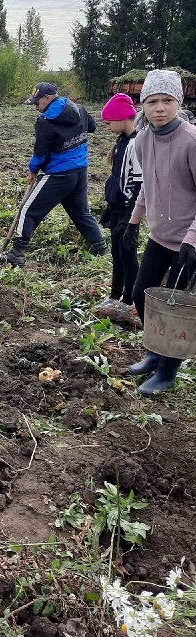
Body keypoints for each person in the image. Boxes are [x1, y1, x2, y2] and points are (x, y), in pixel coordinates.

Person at [125, 70, 196, 396]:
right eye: (152, 101)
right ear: (143, 105)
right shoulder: (142, 139)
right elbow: (147, 186)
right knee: (141, 295)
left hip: (188, 241)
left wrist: (192, 239)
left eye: (167, 101)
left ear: (178, 102)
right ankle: (154, 352)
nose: (160, 108)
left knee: (175, 307)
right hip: (160, 236)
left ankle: (168, 371)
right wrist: (134, 221)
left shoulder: (190, 141)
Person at [5, 82, 107, 267]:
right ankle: (99, 246)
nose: (36, 107)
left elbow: (40, 153)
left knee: (28, 210)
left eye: (37, 102)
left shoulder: (45, 122)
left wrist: (33, 169)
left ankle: (16, 252)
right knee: (80, 212)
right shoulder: (80, 109)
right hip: (80, 170)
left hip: (59, 174)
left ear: (47, 98)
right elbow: (92, 127)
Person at [93, 94, 142, 325]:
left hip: (129, 210)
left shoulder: (136, 143)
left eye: (109, 121)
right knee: (116, 253)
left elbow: (138, 183)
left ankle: (130, 300)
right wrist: (110, 206)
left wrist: (131, 214)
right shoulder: (122, 140)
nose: (107, 125)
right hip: (117, 207)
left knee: (127, 254)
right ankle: (115, 296)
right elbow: (117, 176)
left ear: (122, 118)